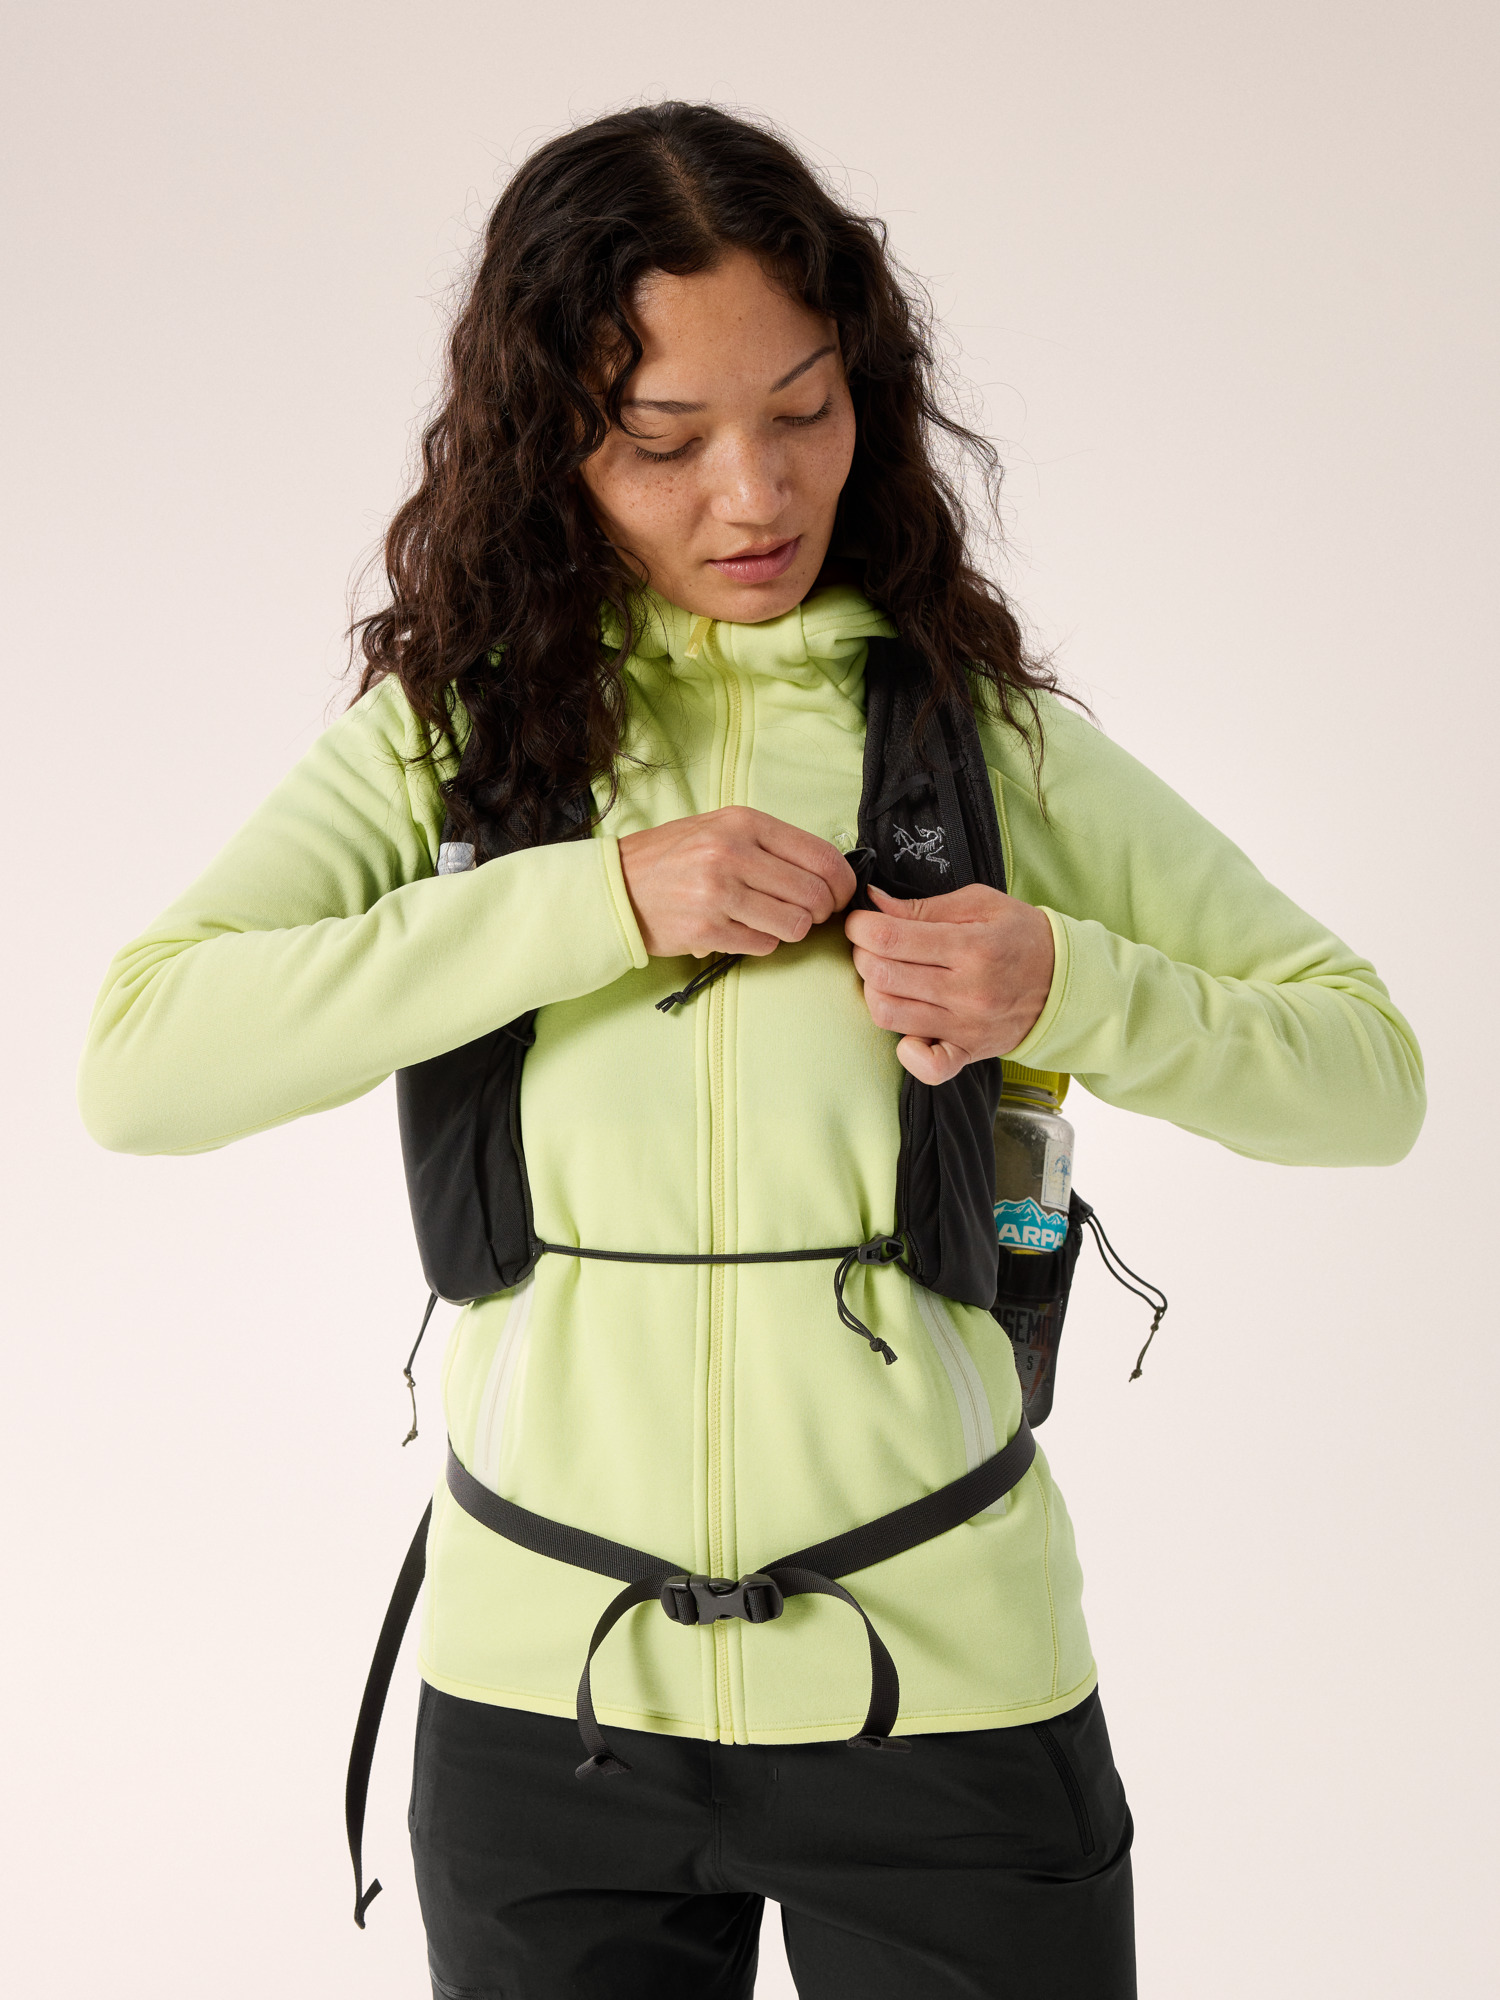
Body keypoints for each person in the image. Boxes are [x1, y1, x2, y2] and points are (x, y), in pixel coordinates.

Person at [77, 101, 1424, 2000]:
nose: (754, 494)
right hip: (540, 1712)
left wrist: (1066, 984)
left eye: (804, 409)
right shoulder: (452, 741)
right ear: (548, 440)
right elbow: (140, 1061)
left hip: (950, 1702)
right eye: (664, 439)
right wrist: (593, 901)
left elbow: (1370, 1078)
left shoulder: (982, 740)